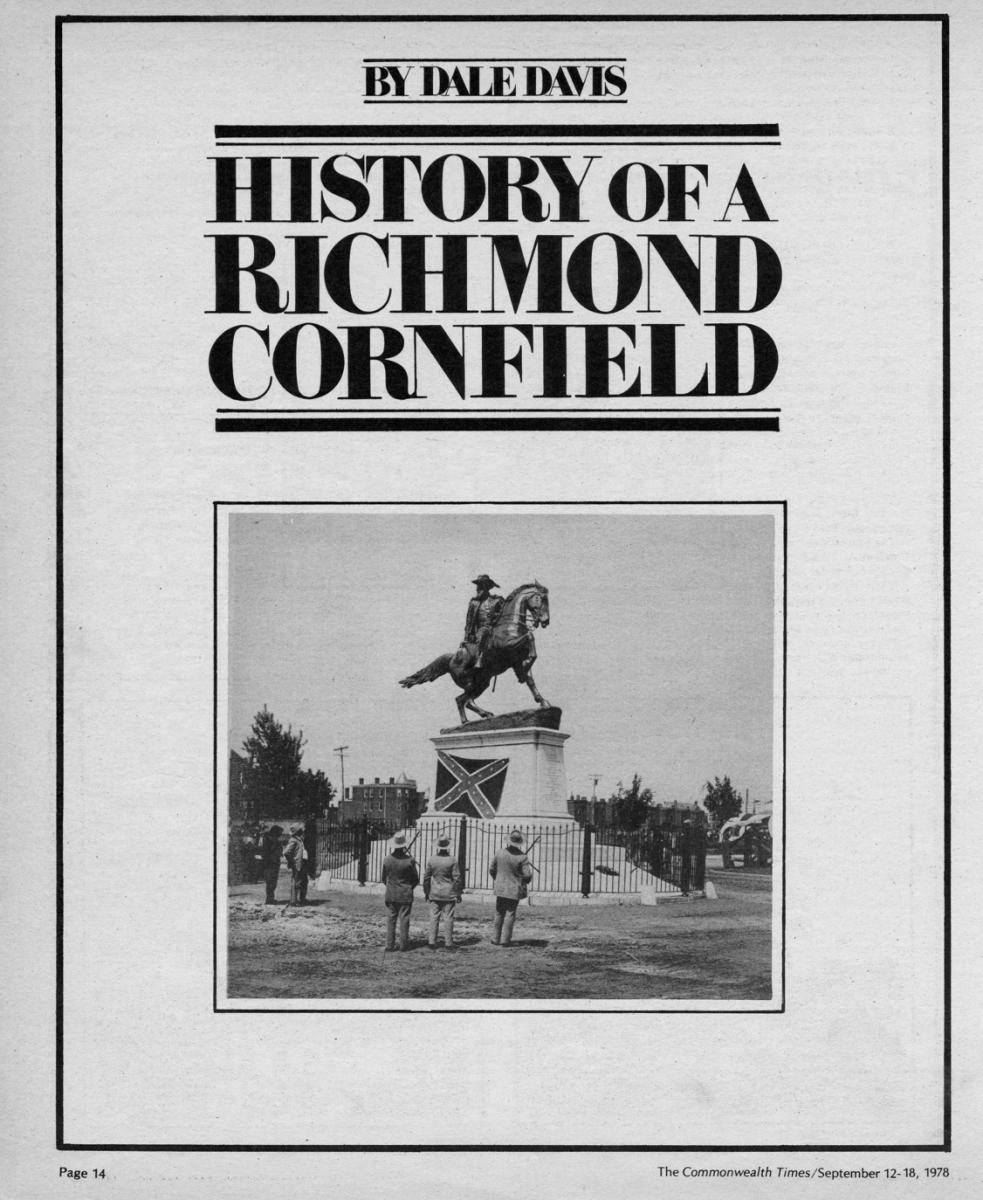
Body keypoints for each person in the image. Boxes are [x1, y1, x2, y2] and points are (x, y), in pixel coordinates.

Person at [488, 830, 533, 947]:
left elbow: (492, 869)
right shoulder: (522, 857)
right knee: (510, 913)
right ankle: (505, 939)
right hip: (514, 889)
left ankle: (495, 938)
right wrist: (524, 879)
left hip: (501, 888)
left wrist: (498, 879)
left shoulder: (499, 853)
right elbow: (527, 875)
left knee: (499, 912)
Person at [381, 833, 420, 951]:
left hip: (391, 894)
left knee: (391, 919)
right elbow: (415, 879)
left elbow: (384, 878)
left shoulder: (387, 859)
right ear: (404, 845)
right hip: (405, 894)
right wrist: (408, 887)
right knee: (404, 919)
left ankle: (389, 945)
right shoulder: (410, 861)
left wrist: (391, 886)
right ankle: (404, 945)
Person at [423, 835, 463, 949]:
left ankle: (432, 941)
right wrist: (458, 893)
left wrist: (426, 892)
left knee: (434, 917)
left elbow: (426, 878)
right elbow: (457, 878)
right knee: (448, 917)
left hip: (435, 892)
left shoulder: (432, 859)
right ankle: (448, 942)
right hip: (449, 893)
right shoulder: (452, 860)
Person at [463, 573, 503, 670]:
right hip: (481, 630)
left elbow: (505, 613)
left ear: (487, 587)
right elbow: (469, 622)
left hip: (496, 629)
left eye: (481, 585)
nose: (478, 588)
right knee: (484, 632)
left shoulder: (496, 600)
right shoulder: (474, 603)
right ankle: (479, 658)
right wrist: (467, 637)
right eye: (478, 585)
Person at [284, 824, 308, 905]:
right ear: (298, 832)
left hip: (303, 863)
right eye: (301, 831)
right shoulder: (293, 840)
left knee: (304, 881)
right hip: (297, 864)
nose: (303, 832)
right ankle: (294, 901)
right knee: (296, 882)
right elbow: (286, 852)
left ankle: (302, 899)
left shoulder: (300, 840)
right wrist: (292, 861)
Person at [260, 824, 284, 904]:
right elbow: (267, 852)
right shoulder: (271, 840)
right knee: (271, 882)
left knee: (271, 882)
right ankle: (269, 899)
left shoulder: (270, 839)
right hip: (271, 863)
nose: (280, 835)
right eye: (280, 833)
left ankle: (270, 898)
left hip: (272, 863)